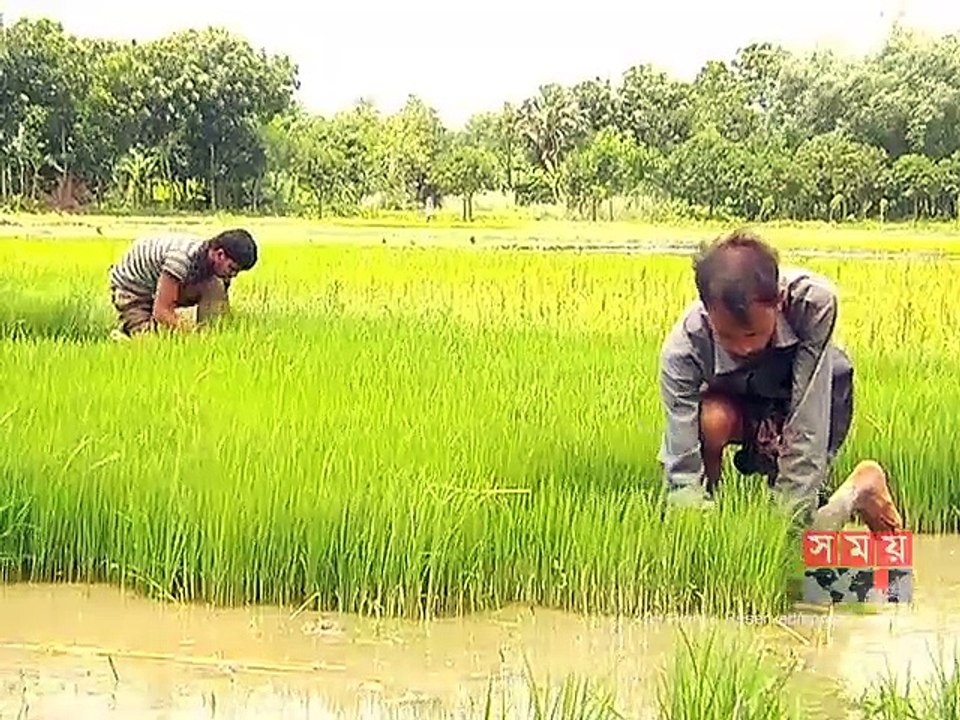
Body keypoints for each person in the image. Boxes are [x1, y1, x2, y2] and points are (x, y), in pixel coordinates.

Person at [657, 229, 901, 531]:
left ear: (779, 301)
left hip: (810, 396)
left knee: (797, 525)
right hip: (743, 408)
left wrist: (789, 520)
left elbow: (807, 420)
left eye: (753, 334)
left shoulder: (813, 305)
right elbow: (681, 466)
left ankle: (861, 489)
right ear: (707, 313)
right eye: (728, 337)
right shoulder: (682, 350)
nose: (744, 348)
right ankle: (711, 515)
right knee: (711, 420)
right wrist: (695, 532)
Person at [108, 229, 258, 337]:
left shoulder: (209, 260)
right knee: (153, 346)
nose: (232, 275)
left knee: (215, 285)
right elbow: (162, 312)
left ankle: (213, 335)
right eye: (232, 268)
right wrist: (193, 334)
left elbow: (220, 304)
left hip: (156, 285)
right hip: (132, 290)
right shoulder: (181, 259)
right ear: (220, 254)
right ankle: (124, 339)